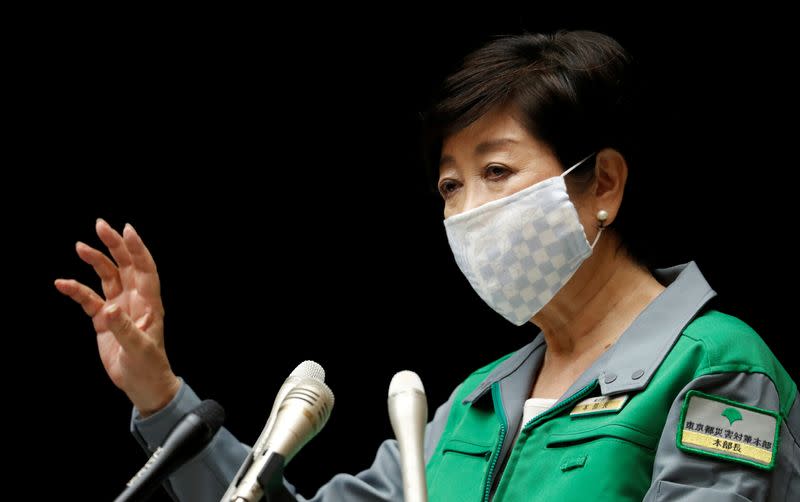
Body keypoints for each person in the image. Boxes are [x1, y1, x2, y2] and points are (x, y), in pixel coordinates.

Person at [55, 30, 799, 501]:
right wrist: (160, 395)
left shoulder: (721, 366)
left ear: (602, 182)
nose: (470, 210)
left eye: (498, 172)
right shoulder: (468, 405)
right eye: (450, 186)